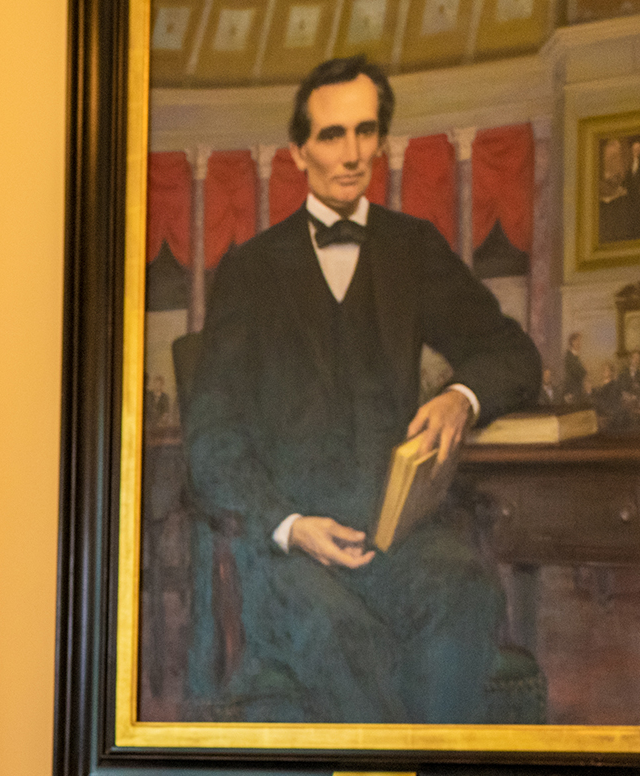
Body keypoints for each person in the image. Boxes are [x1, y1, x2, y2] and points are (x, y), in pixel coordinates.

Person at [183, 54, 542, 723]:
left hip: (397, 540)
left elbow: (511, 353)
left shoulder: (413, 249)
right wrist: (289, 526)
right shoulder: (250, 269)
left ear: (380, 139)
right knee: (343, 637)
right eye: (330, 135)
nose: (351, 154)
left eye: (365, 131)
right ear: (297, 152)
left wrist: (459, 396)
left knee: (466, 593)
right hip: (289, 554)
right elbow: (211, 438)